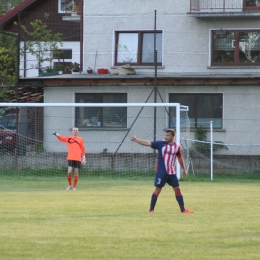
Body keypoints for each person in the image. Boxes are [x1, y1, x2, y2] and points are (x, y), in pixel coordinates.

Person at [131, 129, 193, 214]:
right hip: (161, 172)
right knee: (158, 189)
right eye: (165, 135)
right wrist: (136, 140)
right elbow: (148, 143)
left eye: (168, 135)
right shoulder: (161, 144)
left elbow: (179, 158)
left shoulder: (177, 146)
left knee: (177, 189)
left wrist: (184, 169)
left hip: (171, 172)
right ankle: (151, 210)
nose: (166, 137)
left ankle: (183, 210)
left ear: (172, 136)